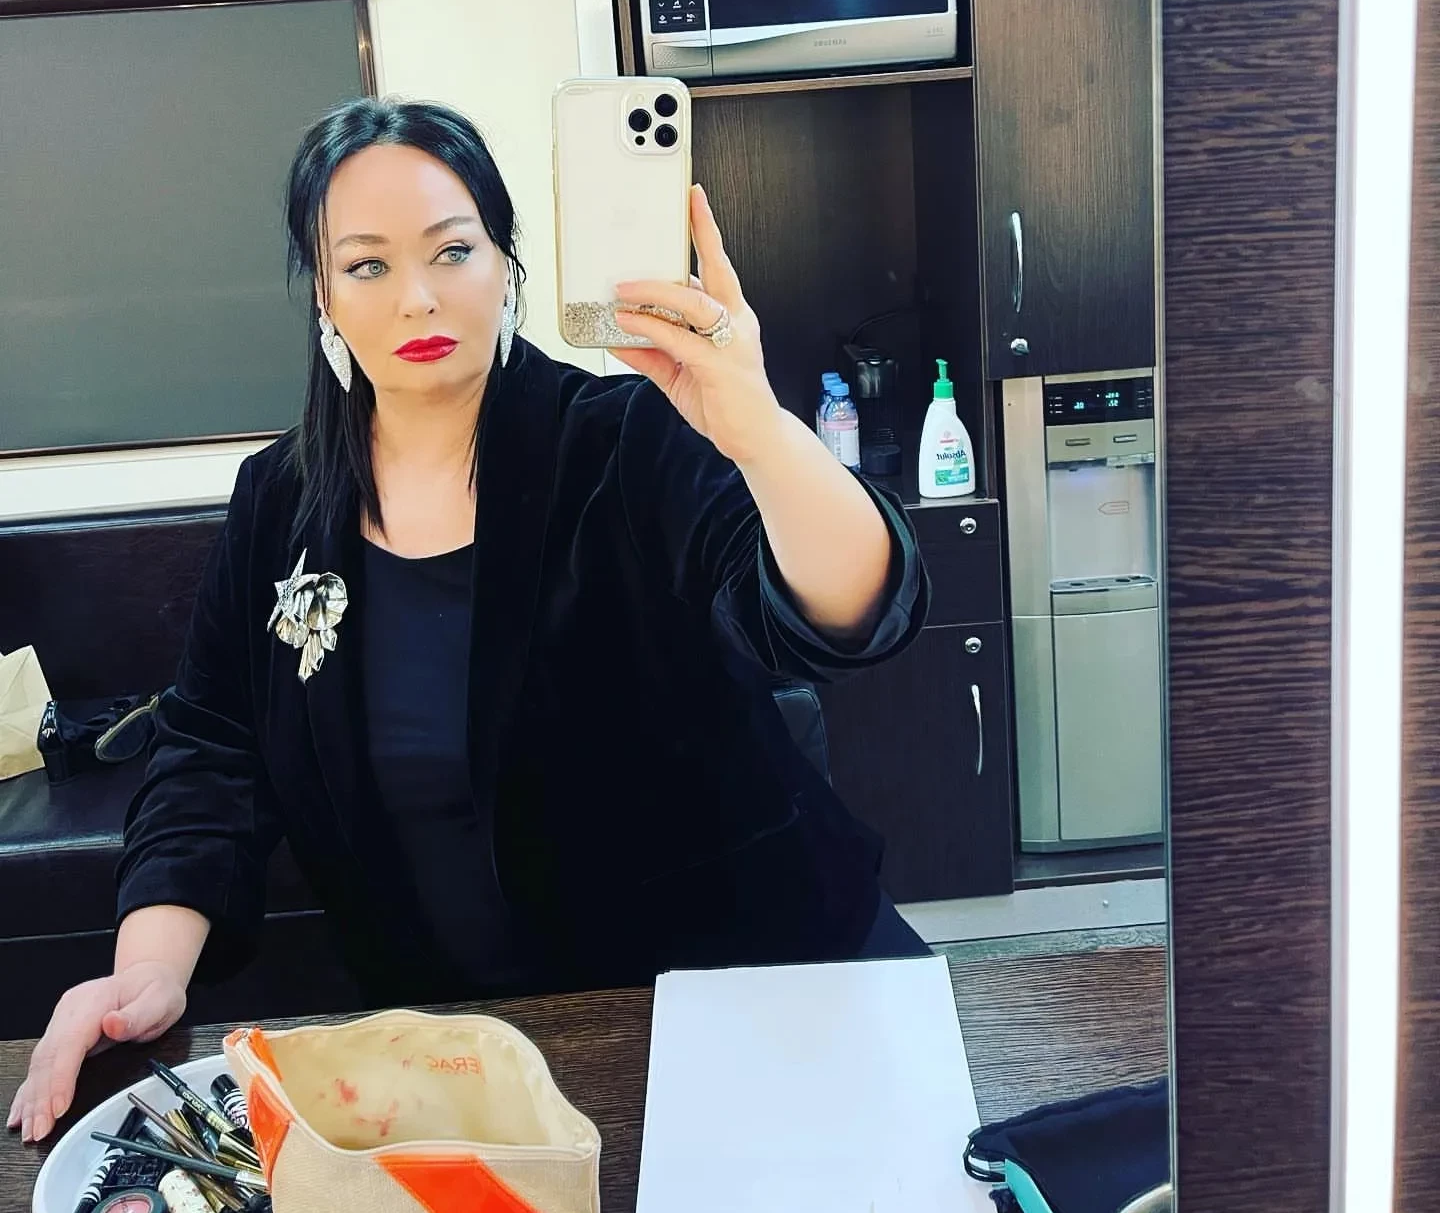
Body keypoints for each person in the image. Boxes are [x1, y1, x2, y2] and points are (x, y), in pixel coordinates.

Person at [8, 97, 931, 1144]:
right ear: (324, 295)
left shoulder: (622, 438)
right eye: (366, 265)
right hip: (467, 1061)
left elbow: (850, 614)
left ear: (505, 261)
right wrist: (146, 970)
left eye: (453, 250)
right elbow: (211, 749)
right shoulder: (280, 499)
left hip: (752, 1000)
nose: (418, 298)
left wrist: (759, 431)